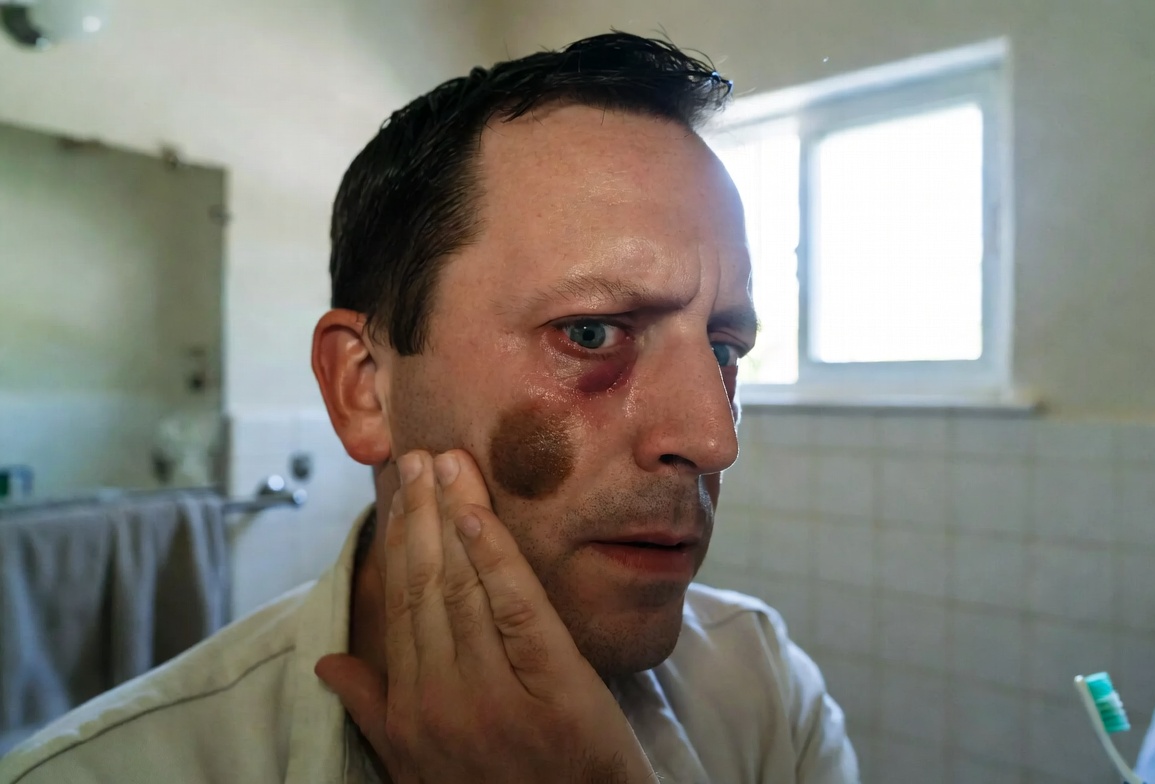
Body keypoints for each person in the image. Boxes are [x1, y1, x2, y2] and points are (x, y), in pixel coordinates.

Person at [0, 32, 860, 783]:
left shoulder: (765, 690)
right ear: (364, 386)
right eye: (591, 333)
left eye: (724, 348)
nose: (713, 438)